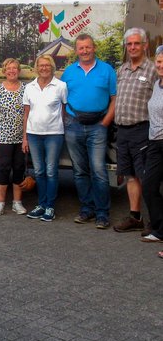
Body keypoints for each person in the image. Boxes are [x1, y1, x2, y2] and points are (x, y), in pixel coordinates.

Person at [61, 33, 116, 229]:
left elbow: (114, 99)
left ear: (94, 48)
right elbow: (62, 99)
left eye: (88, 47)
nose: (84, 51)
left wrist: (106, 121)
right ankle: (86, 209)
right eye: (81, 48)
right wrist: (65, 121)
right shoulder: (68, 72)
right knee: (79, 171)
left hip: (98, 126)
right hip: (74, 125)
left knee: (99, 171)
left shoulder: (107, 70)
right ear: (76, 51)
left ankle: (102, 213)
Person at [113, 28, 157, 234]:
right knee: (130, 176)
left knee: (148, 178)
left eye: (136, 43)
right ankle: (135, 216)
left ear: (145, 45)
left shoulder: (154, 70)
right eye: (129, 44)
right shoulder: (121, 70)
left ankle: (155, 221)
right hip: (123, 131)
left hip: (143, 131)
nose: (132, 47)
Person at [22, 55, 68, 222]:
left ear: (52, 67)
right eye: (41, 65)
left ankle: (50, 206)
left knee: (50, 171)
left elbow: (64, 111)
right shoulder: (29, 87)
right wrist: (25, 138)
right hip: (34, 134)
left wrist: (60, 130)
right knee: (39, 171)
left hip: (54, 135)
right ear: (36, 67)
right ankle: (41, 204)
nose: (44, 68)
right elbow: (26, 114)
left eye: (47, 65)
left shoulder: (61, 86)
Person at [0, 58, 27, 216]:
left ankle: (17, 203)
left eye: (15, 68)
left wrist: (26, 136)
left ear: (18, 71)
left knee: (19, 168)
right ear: (4, 71)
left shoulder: (26, 89)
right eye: (8, 68)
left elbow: (28, 113)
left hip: (20, 137)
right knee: (3, 168)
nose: (12, 71)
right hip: (3, 137)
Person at [141, 45, 163, 252]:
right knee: (149, 186)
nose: (160, 65)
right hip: (154, 142)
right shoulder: (157, 84)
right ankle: (158, 229)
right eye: (158, 61)